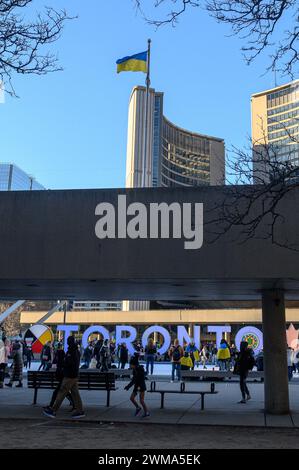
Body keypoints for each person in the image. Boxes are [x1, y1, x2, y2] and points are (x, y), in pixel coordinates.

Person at [43, 336, 85, 419]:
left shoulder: (71, 351)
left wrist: (63, 363)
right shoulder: (76, 351)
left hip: (69, 375)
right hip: (74, 375)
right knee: (75, 394)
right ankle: (80, 411)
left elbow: (68, 363)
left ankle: (53, 410)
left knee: (62, 392)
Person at [49, 342, 74, 409]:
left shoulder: (60, 355)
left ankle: (52, 406)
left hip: (63, 378)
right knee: (64, 391)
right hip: (65, 378)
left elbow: (56, 364)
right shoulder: (64, 356)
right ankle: (74, 403)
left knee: (58, 391)